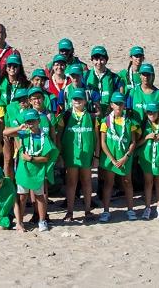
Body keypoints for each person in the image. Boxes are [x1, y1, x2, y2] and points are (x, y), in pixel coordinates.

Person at [12, 108, 57, 232]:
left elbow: (46, 158)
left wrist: (31, 158)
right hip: (24, 171)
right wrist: (19, 128)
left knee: (39, 197)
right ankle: (20, 222)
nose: (30, 123)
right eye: (28, 121)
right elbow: (6, 132)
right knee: (22, 197)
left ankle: (42, 221)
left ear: (38, 121)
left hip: (37, 171)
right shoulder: (24, 133)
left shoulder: (44, 136)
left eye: (33, 121)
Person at [99, 92, 138, 222]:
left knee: (127, 182)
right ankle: (105, 210)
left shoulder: (129, 121)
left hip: (124, 157)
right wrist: (112, 159)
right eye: (116, 103)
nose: (119, 106)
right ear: (111, 105)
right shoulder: (106, 121)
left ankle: (131, 209)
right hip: (111, 158)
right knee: (109, 183)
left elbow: (133, 142)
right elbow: (103, 142)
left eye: (121, 103)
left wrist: (126, 157)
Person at [58, 88, 97, 222]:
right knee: (71, 183)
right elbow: (59, 136)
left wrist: (96, 156)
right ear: (71, 100)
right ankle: (70, 212)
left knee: (86, 181)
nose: (77, 101)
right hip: (71, 155)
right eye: (75, 99)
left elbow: (96, 138)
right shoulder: (66, 115)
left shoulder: (91, 117)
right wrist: (60, 155)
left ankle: (87, 210)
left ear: (85, 101)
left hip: (86, 155)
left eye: (80, 99)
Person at [138, 103, 159, 219]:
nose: (151, 114)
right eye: (148, 112)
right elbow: (136, 143)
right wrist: (147, 137)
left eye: (153, 112)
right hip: (147, 158)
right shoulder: (143, 124)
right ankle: (147, 207)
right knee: (148, 183)